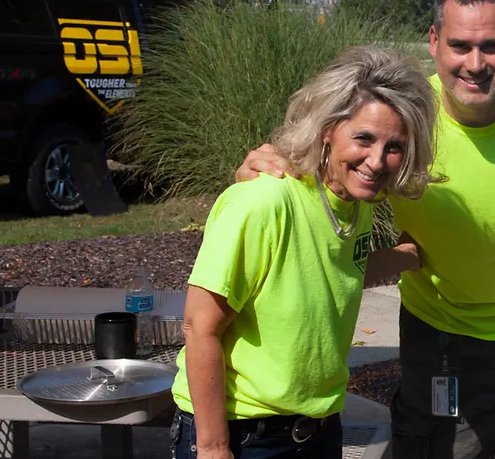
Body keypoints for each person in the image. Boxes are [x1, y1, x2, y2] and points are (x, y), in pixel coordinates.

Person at [236, 0, 495, 459]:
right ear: (435, 41)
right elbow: (329, 159)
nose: (476, 64)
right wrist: (262, 166)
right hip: (440, 329)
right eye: (460, 45)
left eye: (492, 46)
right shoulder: (405, 116)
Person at [172, 46, 436, 459]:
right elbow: (199, 327)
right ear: (327, 128)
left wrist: (407, 255)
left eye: (395, 146)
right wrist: (213, 448)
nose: (377, 161)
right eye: (363, 138)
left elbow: (330, 272)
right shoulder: (264, 200)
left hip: (318, 429)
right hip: (243, 434)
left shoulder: (352, 204)